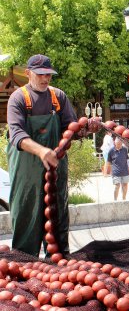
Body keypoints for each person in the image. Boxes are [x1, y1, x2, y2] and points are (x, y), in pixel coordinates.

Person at [6, 54, 77, 257]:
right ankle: (24, 264)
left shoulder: (58, 97)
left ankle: (58, 264)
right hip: (26, 173)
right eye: (40, 75)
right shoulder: (18, 98)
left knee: (57, 218)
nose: (45, 79)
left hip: (55, 171)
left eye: (49, 75)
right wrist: (41, 151)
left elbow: (69, 129)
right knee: (26, 216)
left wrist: (85, 128)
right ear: (28, 73)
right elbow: (17, 135)